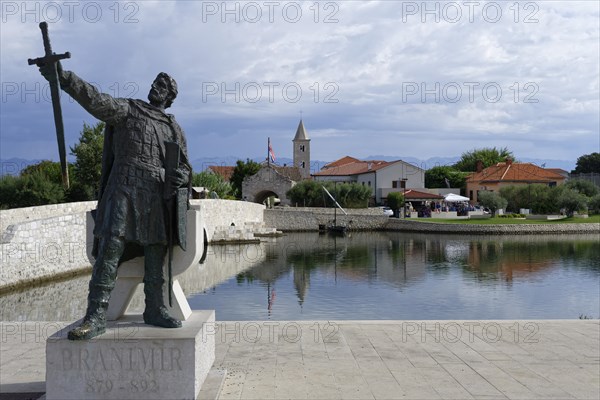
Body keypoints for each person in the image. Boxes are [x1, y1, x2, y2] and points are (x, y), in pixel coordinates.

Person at [39, 63, 192, 340]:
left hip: (156, 193)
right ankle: (96, 316)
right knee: (111, 246)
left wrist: (181, 176)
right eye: (156, 82)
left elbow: (184, 168)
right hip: (124, 185)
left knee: (156, 251)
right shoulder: (128, 110)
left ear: (170, 97)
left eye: (163, 86)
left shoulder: (173, 128)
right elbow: (95, 100)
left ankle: (155, 308)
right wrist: (64, 77)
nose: (156, 87)